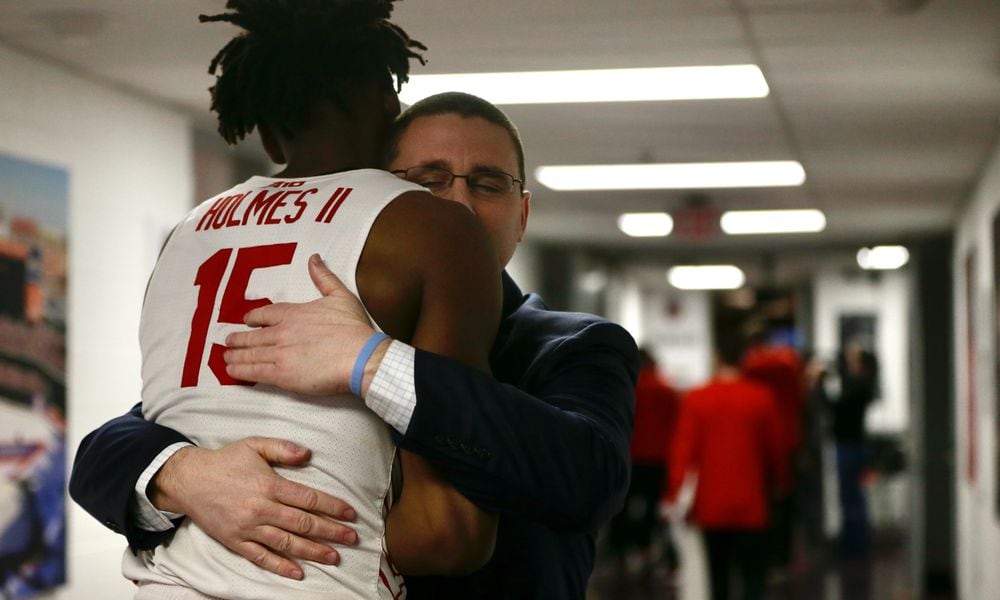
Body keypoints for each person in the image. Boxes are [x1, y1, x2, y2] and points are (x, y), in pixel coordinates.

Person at [70, 90, 639, 598]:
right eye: (427, 181)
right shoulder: (303, 326)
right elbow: (110, 446)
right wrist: (183, 473)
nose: (458, 206)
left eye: (489, 184)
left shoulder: (574, 344)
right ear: (380, 198)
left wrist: (373, 364)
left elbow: (588, 480)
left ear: (523, 214)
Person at [89, 2, 504, 598]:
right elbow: (448, 535)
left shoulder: (186, 234)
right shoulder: (432, 228)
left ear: (262, 126)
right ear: (389, 104)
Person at [666, 335, 788, 600]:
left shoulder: (697, 398)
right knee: (753, 577)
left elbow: (683, 453)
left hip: (710, 505)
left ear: (717, 357)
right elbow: (776, 450)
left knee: (717, 577)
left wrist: (674, 497)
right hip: (752, 503)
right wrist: (780, 483)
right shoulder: (761, 398)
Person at [607, 347, 679, 578]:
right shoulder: (667, 391)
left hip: (629, 456)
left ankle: (619, 551)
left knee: (621, 505)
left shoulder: (625, 389)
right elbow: (676, 427)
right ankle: (646, 548)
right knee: (652, 507)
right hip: (658, 459)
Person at [817, 346, 879, 559]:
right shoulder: (861, 384)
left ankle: (854, 546)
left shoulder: (860, 385)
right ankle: (853, 544)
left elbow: (836, 407)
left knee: (852, 498)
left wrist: (820, 385)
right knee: (852, 498)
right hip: (852, 445)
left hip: (850, 447)